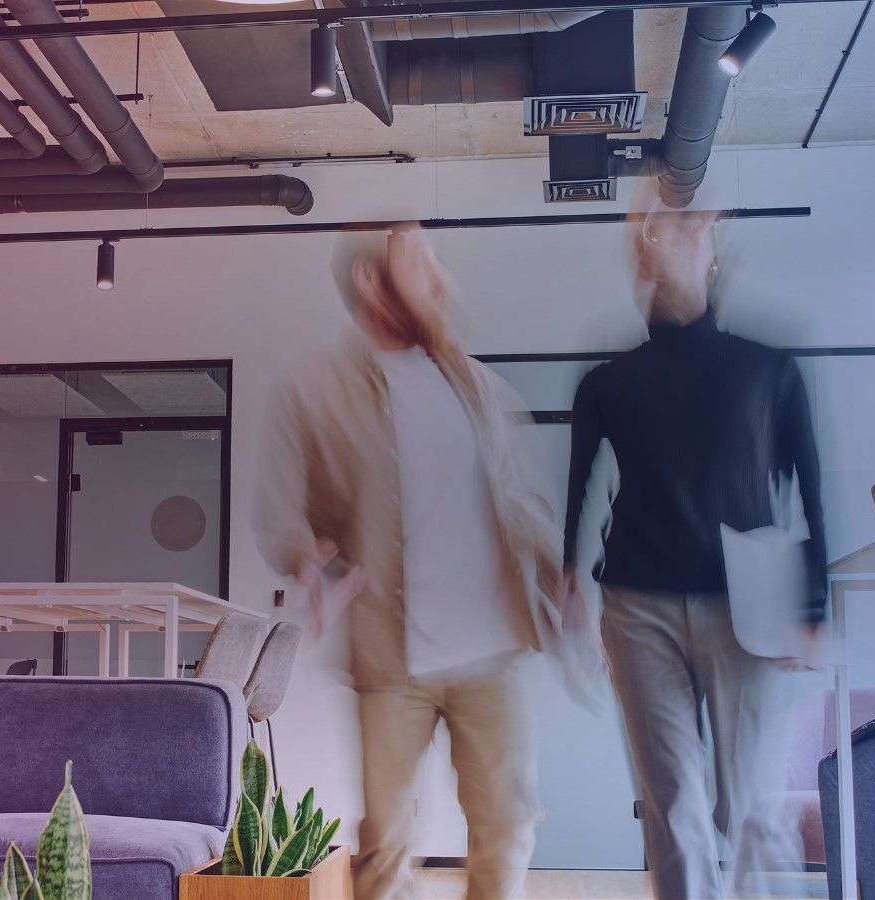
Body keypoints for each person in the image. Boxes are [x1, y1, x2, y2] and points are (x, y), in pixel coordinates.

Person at [259, 223, 567, 900]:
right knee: (386, 846)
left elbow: (519, 498)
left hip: (490, 654)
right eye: (422, 266)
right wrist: (305, 558)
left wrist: (558, 572)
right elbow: (281, 510)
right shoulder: (315, 391)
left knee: (508, 825)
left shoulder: (477, 386)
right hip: (390, 661)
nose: (440, 281)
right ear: (374, 283)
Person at [562, 207, 827, 899]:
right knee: (673, 804)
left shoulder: (767, 370)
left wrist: (814, 605)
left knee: (749, 805)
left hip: (746, 607)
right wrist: (571, 582)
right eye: (660, 234)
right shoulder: (606, 383)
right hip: (637, 610)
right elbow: (580, 491)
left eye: (692, 230)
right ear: (639, 264)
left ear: (713, 259)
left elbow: (809, 488)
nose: (675, 239)